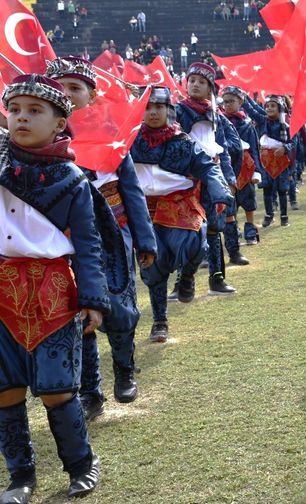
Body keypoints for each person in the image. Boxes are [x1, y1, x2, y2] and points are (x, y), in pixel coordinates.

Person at [0, 74, 105, 502]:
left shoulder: (72, 178)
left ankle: (81, 463)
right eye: (15, 110)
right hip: (2, 291)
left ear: (60, 123)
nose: (22, 117)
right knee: (4, 390)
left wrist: (94, 300)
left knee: (58, 389)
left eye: (35, 110)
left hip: (54, 291)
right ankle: (20, 476)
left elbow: (87, 242)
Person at [47, 56, 158, 417]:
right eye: (59, 87)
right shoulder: (42, 143)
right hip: (63, 242)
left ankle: (124, 370)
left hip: (115, 234)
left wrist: (145, 239)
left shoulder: (113, 135)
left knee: (121, 308)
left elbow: (131, 190)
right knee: (78, 313)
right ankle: (90, 391)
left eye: (74, 88)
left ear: (92, 95)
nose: (66, 94)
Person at [132, 87, 233, 343]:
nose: (153, 112)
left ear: (170, 110)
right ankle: (159, 321)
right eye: (148, 107)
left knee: (194, 245)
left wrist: (220, 192)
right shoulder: (130, 141)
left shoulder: (184, 142)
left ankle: (187, 276)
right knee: (153, 264)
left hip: (180, 204)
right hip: (145, 210)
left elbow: (208, 167)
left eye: (159, 107)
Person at [176, 62, 243, 295]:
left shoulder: (216, 115)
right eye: (192, 80)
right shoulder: (178, 111)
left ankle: (217, 280)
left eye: (202, 82)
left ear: (210, 89)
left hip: (212, 178)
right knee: (185, 229)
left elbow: (223, 146)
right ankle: (182, 283)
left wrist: (229, 177)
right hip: (187, 179)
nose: (195, 85)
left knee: (214, 228)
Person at [243, 94, 297, 226]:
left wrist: (285, 148)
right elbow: (252, 110)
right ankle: (269, 216)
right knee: (267, 189)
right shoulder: (263, 121)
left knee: (282, 190)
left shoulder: (286, 125)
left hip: (281, 162)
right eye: (267, 106)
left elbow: (293, 142)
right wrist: (244, 99)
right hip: (265, 162)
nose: (269, 108)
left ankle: (284, 217)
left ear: (279, 108)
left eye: (273, 106)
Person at [221, 86, 263, 246]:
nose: (227, 105)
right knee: (230, 201)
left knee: (248, 199)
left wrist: (257, 171)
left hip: (246, 168)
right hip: (228, 167)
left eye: (231, 101)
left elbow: (254, 149)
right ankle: (234, 229)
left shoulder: (248, 125)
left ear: (240, 102)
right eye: (225, 102)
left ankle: (251, 228)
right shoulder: (220, 123)